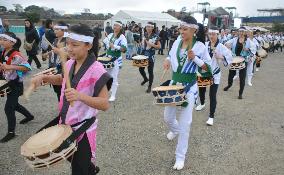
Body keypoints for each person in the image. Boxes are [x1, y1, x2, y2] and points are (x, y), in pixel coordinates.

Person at [30, 24, 112, 174]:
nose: (69, 48)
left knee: (77, 169)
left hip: (83, 127)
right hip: (66, 122)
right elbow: (62, 78)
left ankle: (87, 167)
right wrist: (44, 78)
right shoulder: (69, 63)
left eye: (74, 45)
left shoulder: (96, 69)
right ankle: (90, 167)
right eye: (67, 43)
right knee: (61, 151)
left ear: (88, 45)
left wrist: (80, 96)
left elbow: (105, 104)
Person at [163, 16, 211, 170]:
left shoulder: (200, 46)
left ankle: (180, 156)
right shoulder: (177, 42)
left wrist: (195, 59)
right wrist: (167, 59)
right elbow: (170, 54)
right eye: (180, 28)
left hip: (189, 87)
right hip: (173, 85)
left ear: (194, 30)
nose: (181, 31)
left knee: (185, 124)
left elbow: (208, 69)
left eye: (184, 29)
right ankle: (174, 130)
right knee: (168, 117)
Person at [195, 27, 233, 126]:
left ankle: (211, 116)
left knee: (212, 95)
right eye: (210, 34)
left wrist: (222, 57)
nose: (211, 36)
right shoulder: (204, 45)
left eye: (214, 34)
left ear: (218, 35)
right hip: (204, 72)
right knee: (201, 89)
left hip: (215, 73)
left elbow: (230, 57)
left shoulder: (221, 46)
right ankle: (202, 103)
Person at [0, 32, 34, 142]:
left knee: (9, 108)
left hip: (16, 85)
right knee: (14, 105)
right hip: (9, 83)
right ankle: (29, 116)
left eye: (5, 39)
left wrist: (9, 66)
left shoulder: (16, 55)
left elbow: (27, 68)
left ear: (12, 42)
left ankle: (11, 132)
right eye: (1, 39)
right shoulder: (5, 51)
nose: (1, 41)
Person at [224, 27, 255, 99]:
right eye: (240, 31)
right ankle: (229, 85)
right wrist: (227, 45)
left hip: (243, 60)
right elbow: (226, 43)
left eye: (242, 32)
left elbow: (253, 51)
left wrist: (248, 49)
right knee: (231, 74)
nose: (241, 33)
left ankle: (240, 93)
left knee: (242, 77)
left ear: (244, 33)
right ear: (238, 32)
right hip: (234, 59)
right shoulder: (235, 39)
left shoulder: (248, 41)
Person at [103, 21, 127, 101]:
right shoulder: (110, 35)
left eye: (117, 25)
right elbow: (105, 45)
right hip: (107, 59)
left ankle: (113, 95)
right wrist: (104, 42)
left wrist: (115, 46)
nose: (115, 26)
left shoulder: (122, 37)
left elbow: (124, 49)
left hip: (116, 59)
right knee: (107, 77)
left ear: (120, 27)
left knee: (114, 77)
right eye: (114, 25)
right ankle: (107, 91)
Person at [140, 22, 161, 93]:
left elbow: (159, 47)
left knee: (150, 71)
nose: (148, 28)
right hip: (143, 54)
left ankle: (149, 86)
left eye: (150, 27)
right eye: (147, 27)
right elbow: (143, 43)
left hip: (151, 55)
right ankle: (145, 79)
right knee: (141, 69)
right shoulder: (145, 34)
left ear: (152, 28)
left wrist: (151, 44)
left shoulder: (155, 36)